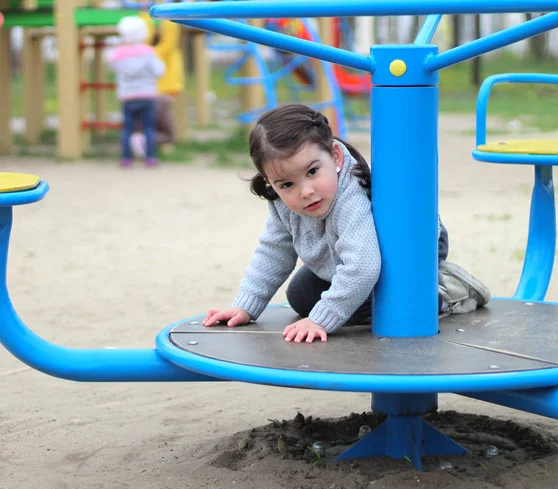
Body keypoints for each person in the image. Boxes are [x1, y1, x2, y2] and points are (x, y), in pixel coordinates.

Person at [202, 104, 490, 343]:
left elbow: (364, 268)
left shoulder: (349, 197)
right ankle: (400, 295)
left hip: (411, 243)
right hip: (352, 254)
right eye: (287, 183)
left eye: (313, 171)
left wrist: (320, 321)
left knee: (389, 298)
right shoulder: (282, 202)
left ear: (335, 156)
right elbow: (274, 251)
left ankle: (445, 292)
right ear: (271, 182)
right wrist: (245, 306)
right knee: (302, 295)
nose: (306, 191)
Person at [107, 16, 165, 167]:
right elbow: (159, 71)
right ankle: (150, 157)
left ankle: (126, 158)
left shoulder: (118, 54)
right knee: (148, 127)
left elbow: (111, 64)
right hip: (147, 95)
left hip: (127, 96)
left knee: (127, 128)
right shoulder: (148, 52)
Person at [129, 12, 185, 158]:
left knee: (150, 124)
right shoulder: (159, 53)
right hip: (162, 93)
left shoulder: (143, 52)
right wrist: (168, 18)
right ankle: (143, 141)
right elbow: (169, 42)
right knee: (167, 132)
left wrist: (146, 18)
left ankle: (145, 144)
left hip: (145, 93)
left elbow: (147, 38)